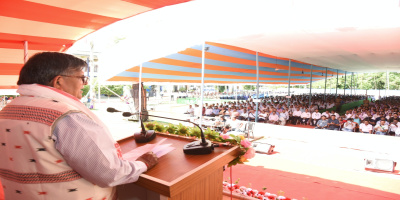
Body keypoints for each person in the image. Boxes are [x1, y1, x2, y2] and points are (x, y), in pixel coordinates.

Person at [0, 52, 158, 200]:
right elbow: (110, 173)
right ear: (59, 81)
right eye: (82, 78)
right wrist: (143, 163)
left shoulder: (7, 111)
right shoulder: (67, 116)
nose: (85, 83)